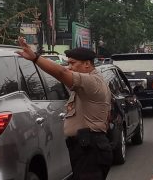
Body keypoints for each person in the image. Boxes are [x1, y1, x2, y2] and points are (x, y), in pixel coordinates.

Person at [16, 37, 112, 180]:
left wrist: (35, 58)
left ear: (87, 64)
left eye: (73, 63)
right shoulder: (86, 84)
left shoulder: (92, 82)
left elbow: (61, 73)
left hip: (90, 148)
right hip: (86, 147)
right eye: (68, 63)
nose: (70, 67)